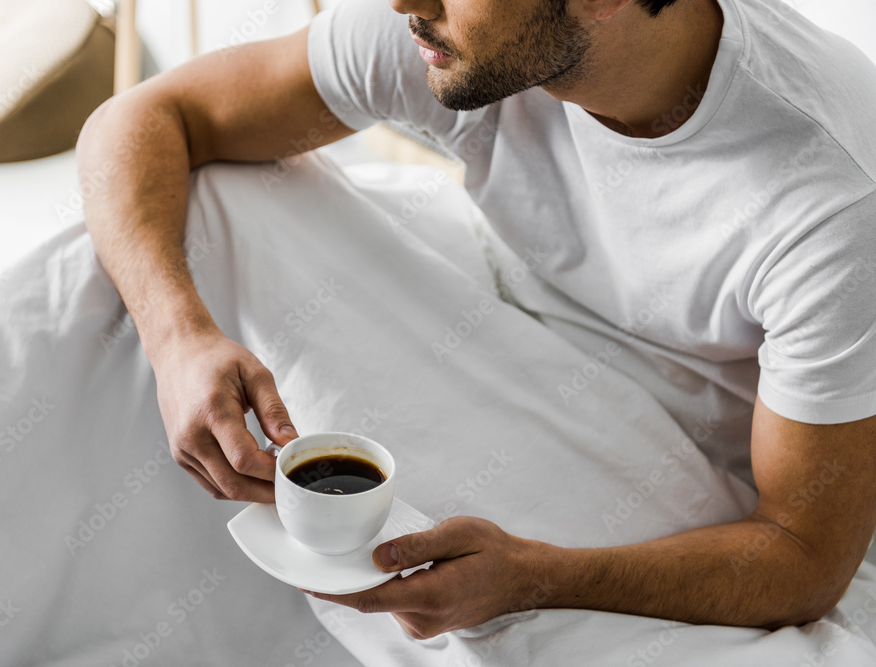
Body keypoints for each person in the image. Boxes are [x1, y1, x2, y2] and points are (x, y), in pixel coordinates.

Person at [76, 0, 876, 640]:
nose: (403, 3)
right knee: (185, 217)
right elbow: (146, 119)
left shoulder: (830, 195)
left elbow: (804, 554)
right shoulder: (456, 33)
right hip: (498, 308)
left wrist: (533, 575)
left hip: (680, 458)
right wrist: (177, 336)